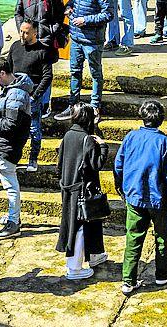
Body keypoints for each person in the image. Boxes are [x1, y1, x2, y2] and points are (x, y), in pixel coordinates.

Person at [114, 100, 167, 295]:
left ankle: (128, 280)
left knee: (133, 238)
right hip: (158, 199)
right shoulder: (164, 142)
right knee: (162, 237)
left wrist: (122, 188)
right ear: (161, 119)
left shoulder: (131, 137)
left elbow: (118, 165)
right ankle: (162, 275)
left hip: (135, 197)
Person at [0, 54, 34, 239]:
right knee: (8, 183)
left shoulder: (16, 94)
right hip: (4, 145)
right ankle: (12, 216)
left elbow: (11, 125)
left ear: (3, 73)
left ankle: (13, 223)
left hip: (7, 147)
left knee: (10, 186)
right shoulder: (12, 89)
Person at [55, 104, 109, 280]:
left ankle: (95, 255)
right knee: (79, 227)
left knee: (86, 223)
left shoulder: (68, 135)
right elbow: (97, 164)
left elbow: (59, 164)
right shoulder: (87, 139)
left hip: (69, 187)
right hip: (82, 190)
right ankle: (75, 268)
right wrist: (103, 146)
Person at [57, 0, 114, 115]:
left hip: (92, 40)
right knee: (75, 72)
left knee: (95, 73)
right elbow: (75, 0)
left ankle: (95, 106)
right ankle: (73, 104)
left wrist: (86, 20)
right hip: (76, 38)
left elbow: (109, 14)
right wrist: (69, 7)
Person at [9, 21, 55, 172]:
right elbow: (8, 69)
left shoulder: (43, 51)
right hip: (15, 95)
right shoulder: (15, 46)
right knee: (13, 129)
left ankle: (33, 159)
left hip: (32, 97)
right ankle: (14, 158)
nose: (22, 35)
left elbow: (47, 76)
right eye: (21, 31)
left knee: (34, 130)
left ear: (35, 33)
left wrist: (35, 96)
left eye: (26, 32)